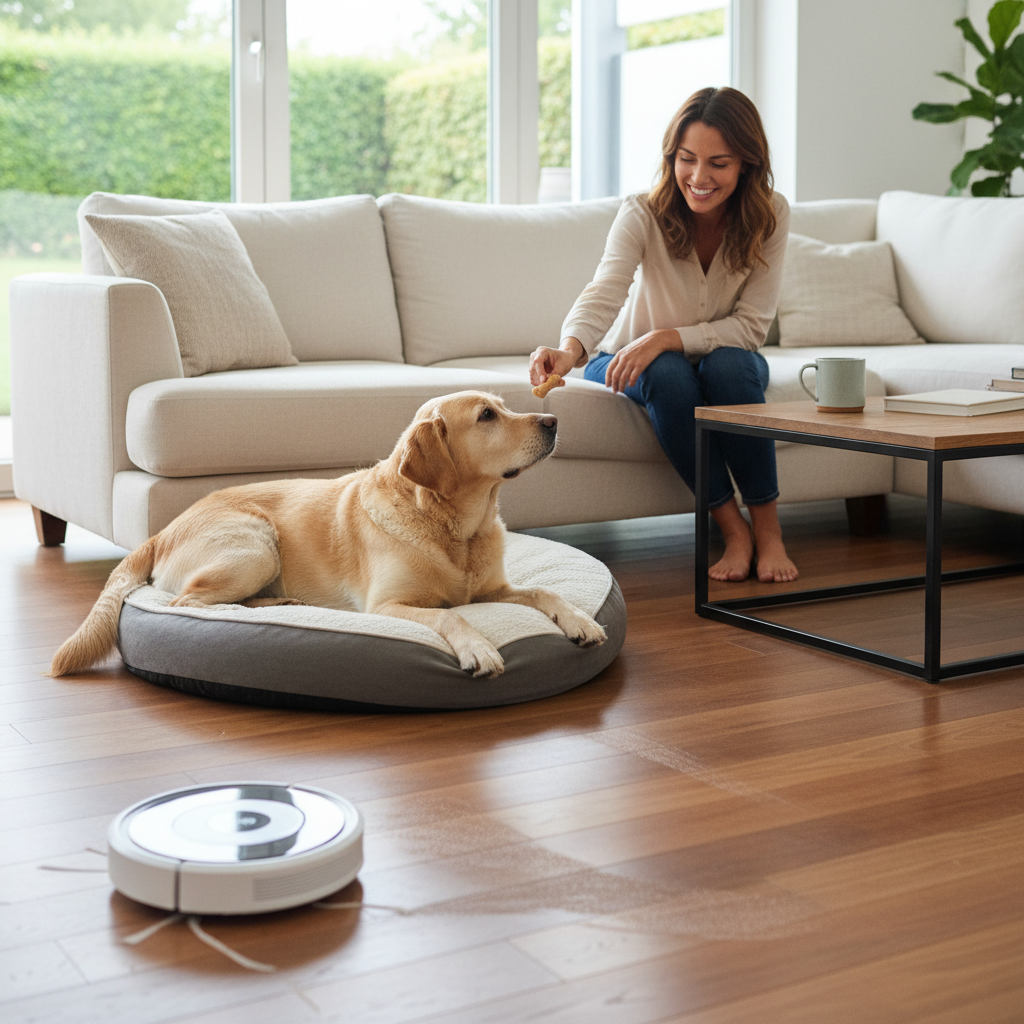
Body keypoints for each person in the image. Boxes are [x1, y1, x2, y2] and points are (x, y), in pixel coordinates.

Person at [528, 86, 798, 584]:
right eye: (687, 159)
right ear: (671, 157)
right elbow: (605, 290)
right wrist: (568, 351)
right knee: (669, 373)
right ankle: (733, 529)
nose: (699, 177)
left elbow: (752, 326)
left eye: (718, 163)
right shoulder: (643, 212)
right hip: (632, 358)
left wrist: (667, 335)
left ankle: (769, 528)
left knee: (731, 366)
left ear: (747, 165)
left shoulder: (772, 215)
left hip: (720, 353)